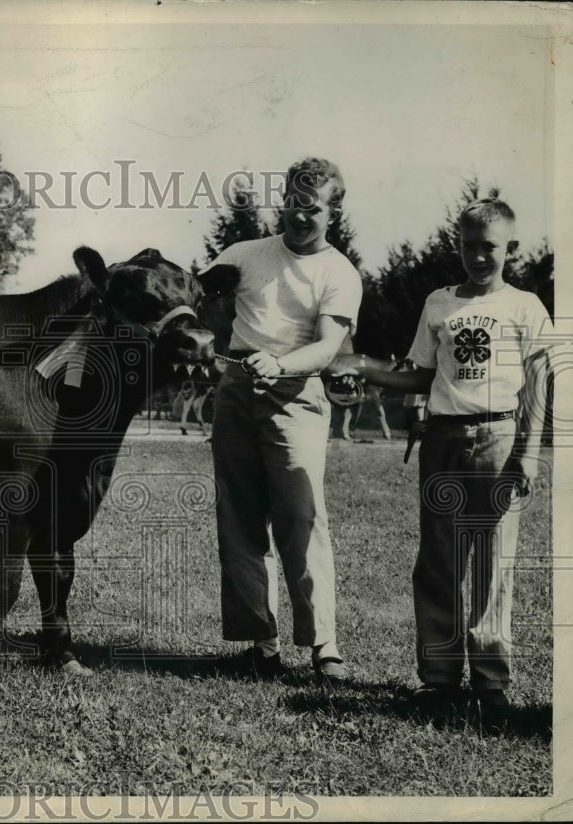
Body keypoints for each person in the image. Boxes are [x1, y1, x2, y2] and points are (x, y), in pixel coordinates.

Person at [332, 198, 552, 716]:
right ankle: (439, 678)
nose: (477, 257)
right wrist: (362, 366)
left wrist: (529, 452)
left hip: (498, 440)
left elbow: (541, 383)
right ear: (457, 246)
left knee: (492, 564)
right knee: (437, 562)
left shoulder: (525, 306)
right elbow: (421, 375)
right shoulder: (438, 303)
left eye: (489, 247)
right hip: (443, 442)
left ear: (510, 249)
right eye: (468, 246)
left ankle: (491, 683)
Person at [201, 157, 362, 681]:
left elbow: (326, 348)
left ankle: (324, 648)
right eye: (293, 202)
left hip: (296, 395)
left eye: (311, 208)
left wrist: (281, 363)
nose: (298, 215)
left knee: (302, 519)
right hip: (235, 393)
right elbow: (197, 299)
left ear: (332, 213)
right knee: (240, 519)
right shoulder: (244, 254)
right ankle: (260, 645)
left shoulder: (339, 273)